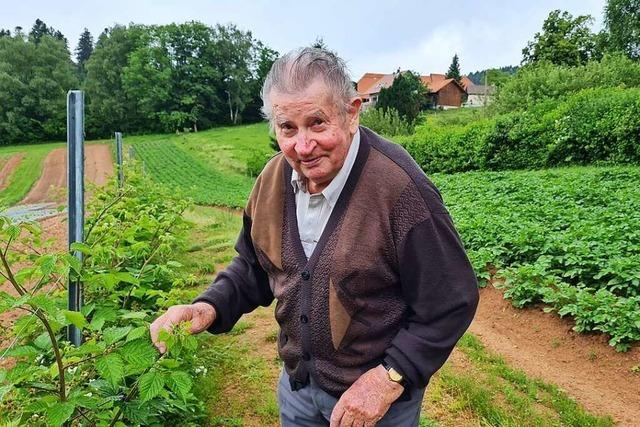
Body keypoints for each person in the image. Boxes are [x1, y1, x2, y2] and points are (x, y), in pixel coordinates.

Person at [150, 47, 479, 427]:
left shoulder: (401, 190)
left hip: (377, 404)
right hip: (298, 392)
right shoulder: (271, 180)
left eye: (317, 123)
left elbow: (452, 299)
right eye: (287, 127)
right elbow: (255, 267)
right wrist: (207, 307)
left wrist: (390, 378)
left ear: (351, 113)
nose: (302, 147)